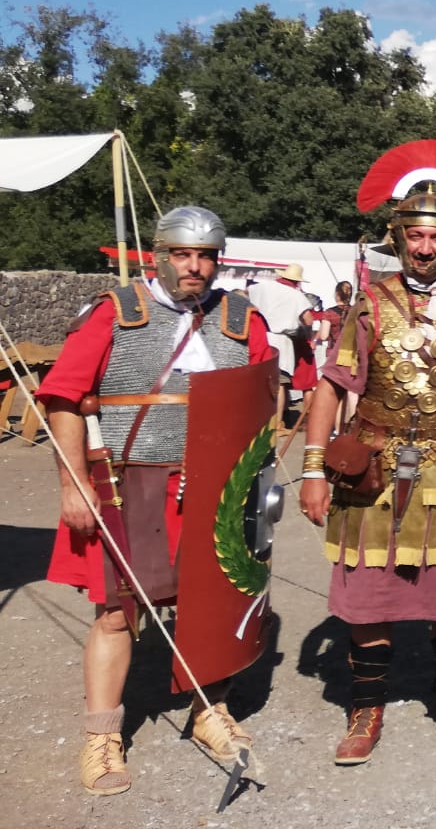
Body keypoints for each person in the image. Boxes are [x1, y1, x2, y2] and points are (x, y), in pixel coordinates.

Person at [38, 206, 274, 795]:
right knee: (118, 611)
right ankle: (102, 736)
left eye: (206, 257)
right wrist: (72, 484)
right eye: (182, 255)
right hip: (128, 481)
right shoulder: (115, 314)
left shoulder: (241, 319)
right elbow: (64, 398)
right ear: (159, 253)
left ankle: (209, 712)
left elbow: (261, 400)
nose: (194, 267)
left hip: (214, 486)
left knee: (212, 601)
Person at [298, 169, 436, 765]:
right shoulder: (369, 304)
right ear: (398, 236)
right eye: (414, 235)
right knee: (370, 591)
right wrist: (313, 470)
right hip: (377, 468)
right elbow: (330, 390)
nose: (425, 247)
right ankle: (366, 707)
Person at [249, 263, 314, 442]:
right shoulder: (296, 295)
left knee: (260, 382)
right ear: (297, 281)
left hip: (259, 335)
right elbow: (308, 319)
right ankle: (277, 425)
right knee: (280, 383)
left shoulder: (259, 288)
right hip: (281, 339)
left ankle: (259, 421)